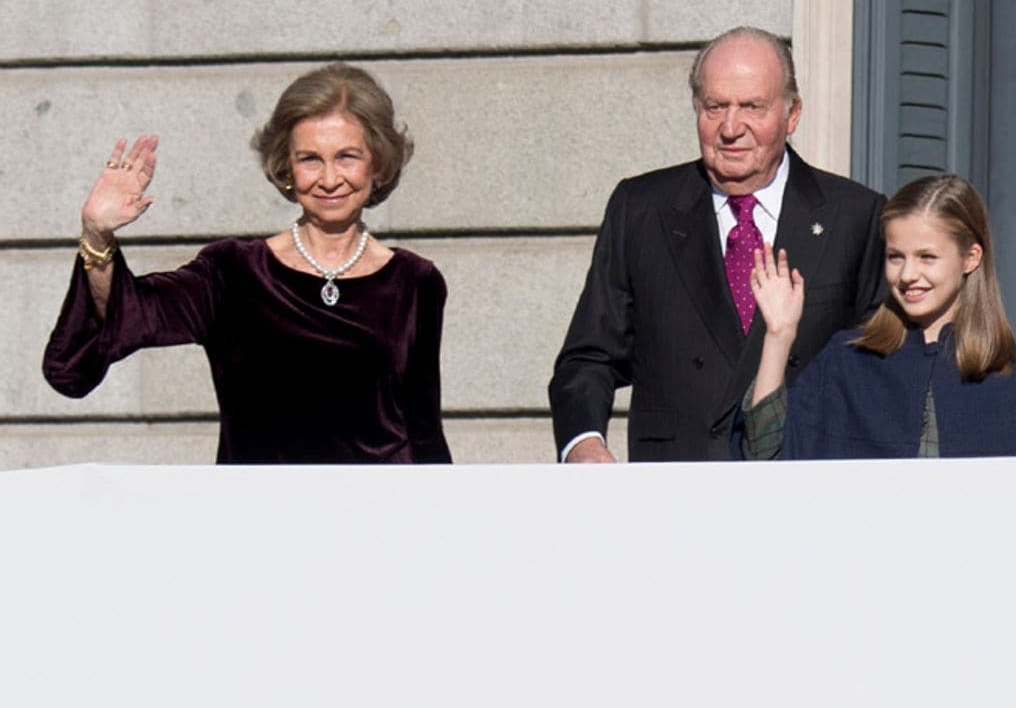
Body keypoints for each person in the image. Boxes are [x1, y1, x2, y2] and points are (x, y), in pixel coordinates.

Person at [41, 63, 452, 463]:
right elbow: (128, 316)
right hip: (257, 523)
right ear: (286, 168)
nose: (329, 179)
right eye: (310, 159)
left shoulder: (416, 281)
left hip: (375, 522)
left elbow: (424, 430)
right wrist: (97, 233)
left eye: (347, 157)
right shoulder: (234, 273)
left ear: (377, 164)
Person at [548, 26, 888, 462]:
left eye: (752, 107)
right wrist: (584, 443)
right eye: (715, 107)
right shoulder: (641, 209)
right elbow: (588, 357)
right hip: (676, 487)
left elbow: (878, 369)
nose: (731, 127)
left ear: (792, 113)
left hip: (802, 486)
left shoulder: (854, 217)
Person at [737, 174, 1016, 459]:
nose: (908, 275)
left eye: (927, 257)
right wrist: (779, 336)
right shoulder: (845, 361)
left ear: (971, 258)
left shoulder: (1008, 383)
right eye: (896, 257)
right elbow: (766, 454)